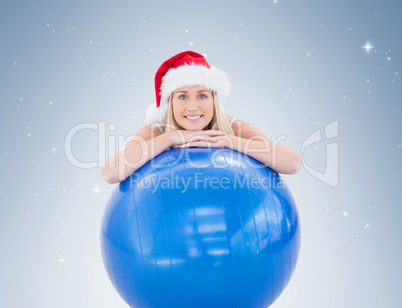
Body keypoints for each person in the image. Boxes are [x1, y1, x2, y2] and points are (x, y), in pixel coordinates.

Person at [101, 51, 301, 184]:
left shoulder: (232, 127)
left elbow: (292, 164)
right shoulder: (154, 132)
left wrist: (229, 141)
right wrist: (173, 138)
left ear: (214, 100)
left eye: (202, 95)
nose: (193, 107)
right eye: (183, 96)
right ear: (170, 102)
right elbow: (111, 173)